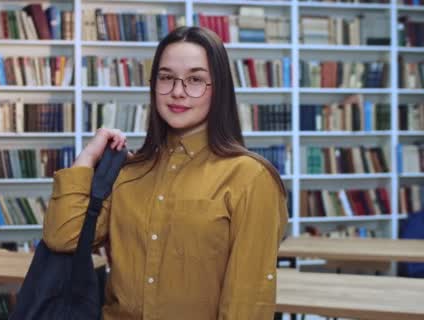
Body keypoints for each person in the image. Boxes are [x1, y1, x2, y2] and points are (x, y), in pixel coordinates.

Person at [43, 26, 288, 319]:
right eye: (166, 77)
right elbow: (63, 237)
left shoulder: (250, 178)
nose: (177, 92)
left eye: (195, 79)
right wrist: (86, 159)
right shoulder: (128, 173)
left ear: (219, 88)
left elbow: (245, 304)